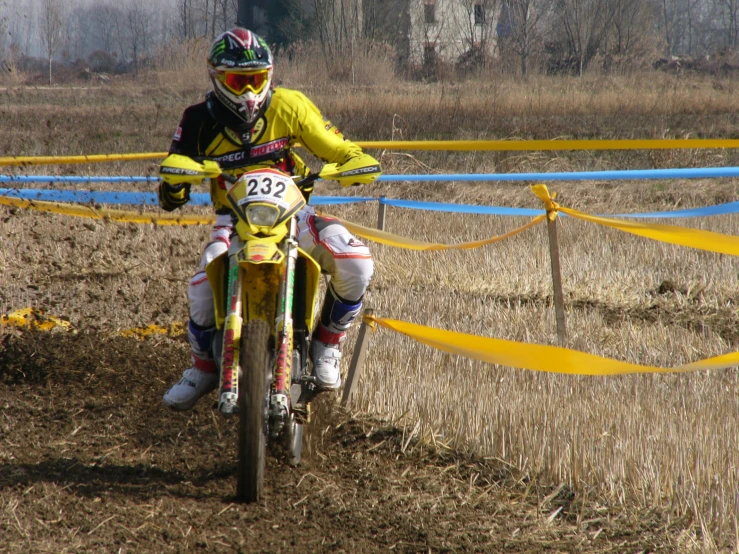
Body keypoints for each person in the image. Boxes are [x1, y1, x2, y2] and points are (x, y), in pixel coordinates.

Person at [158, 28, 381, 411]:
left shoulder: (290, 106)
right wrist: (176, 182)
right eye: (238, 80)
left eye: (256, 79)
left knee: (357, 263)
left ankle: (327, 345)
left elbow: (337, 146)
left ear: (269, 76)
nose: (248, 91)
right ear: (217, 78)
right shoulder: (198, 119)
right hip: (233, 218)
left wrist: (352, 162)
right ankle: (203, 367)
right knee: (199, 289)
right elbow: (172, 181)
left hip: (294, 215)